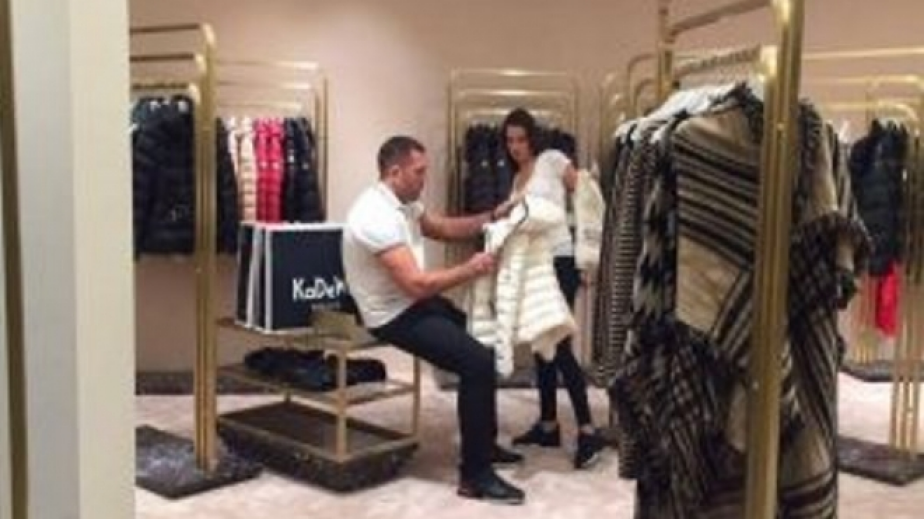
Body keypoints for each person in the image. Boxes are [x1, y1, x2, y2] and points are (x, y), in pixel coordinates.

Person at [341, 135, 525, 505]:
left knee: (480, 343)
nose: (425, 179)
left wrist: (493, 217)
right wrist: (471, 269)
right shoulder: (373, 215)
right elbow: (416, 285)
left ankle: (484, 446)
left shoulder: (405, 203)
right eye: (419, 172)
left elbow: (442, 228)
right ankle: (475, 476)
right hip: (390, 314)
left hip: (411, 301)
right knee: (476, 362)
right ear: (395, 172)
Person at [501, 108, 607, 469]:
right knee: (541, 343)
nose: (516, 146)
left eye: (521, 138)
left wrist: (587, 256)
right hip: (534, 265)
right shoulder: (516, 178)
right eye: (510, 140)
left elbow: (587, 199)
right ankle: (548, 425)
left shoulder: (552, 160)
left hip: (561, 260)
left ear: (532, 137)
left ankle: (588, 430)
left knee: (559, 344)